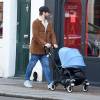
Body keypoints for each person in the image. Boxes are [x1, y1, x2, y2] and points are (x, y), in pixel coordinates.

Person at [24, 6, 58, 90]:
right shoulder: (35, 22)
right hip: (36, 49)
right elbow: (36, 36)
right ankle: (26, 80)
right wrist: (45, 43)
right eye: (47, 13)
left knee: (46, 66)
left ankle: (50, 83)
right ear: (43, 13)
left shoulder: (48, 23)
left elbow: (52, 34)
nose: (49, 14)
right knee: (31, 65)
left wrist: (54, 43)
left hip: (44, 51)